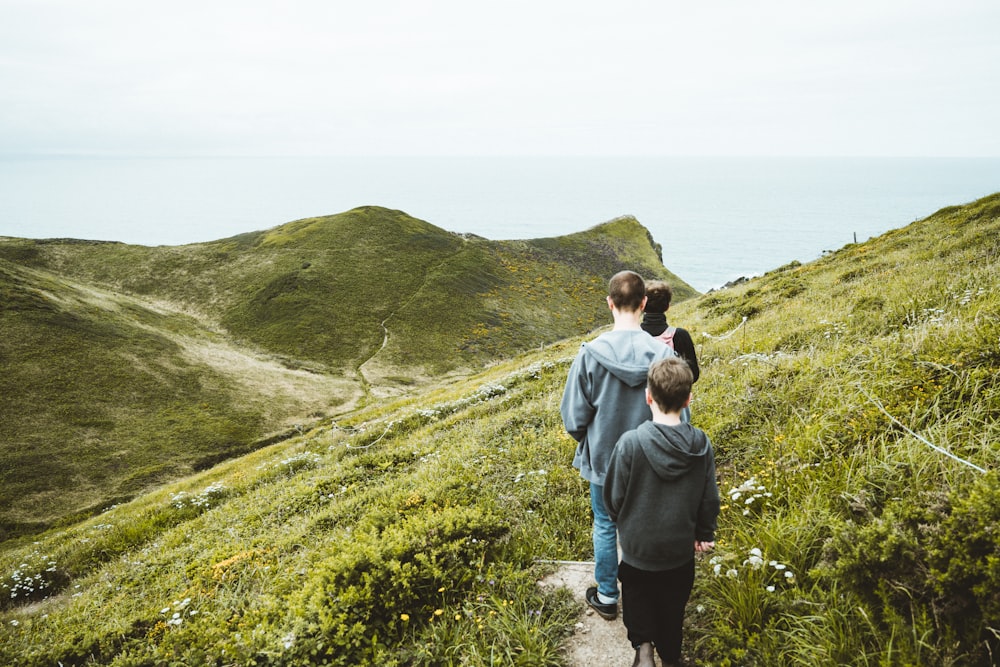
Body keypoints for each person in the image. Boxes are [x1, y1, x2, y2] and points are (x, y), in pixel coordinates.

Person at [560, 270, 676, 621]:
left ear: (610, 303)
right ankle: (649, 596)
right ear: (643, 304)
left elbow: (573, 418)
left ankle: (608, 596)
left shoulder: (590, 354)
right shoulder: (663, 356)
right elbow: (677, 417)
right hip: (650, 459)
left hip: (605, 460)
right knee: (644, 525)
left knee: (605, 525)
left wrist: (590, 442)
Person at [603, 356, 720, 667]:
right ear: (688, 399)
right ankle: (670, 655)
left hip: (638, 550)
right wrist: (704, 533)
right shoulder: (701, 444)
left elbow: (612, 497)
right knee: (673, 606)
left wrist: (623, 520)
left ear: (648, 397)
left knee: (639, 599)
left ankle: (643, 649)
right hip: (679, 553)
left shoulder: (630, 444)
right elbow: (709, 498)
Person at [642, 280, 700, 423]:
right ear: (667, 306)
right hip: (672, 408)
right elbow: (693, 374)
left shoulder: (633, 337)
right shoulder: (679, 336)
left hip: (638, 406)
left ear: (642, 305)